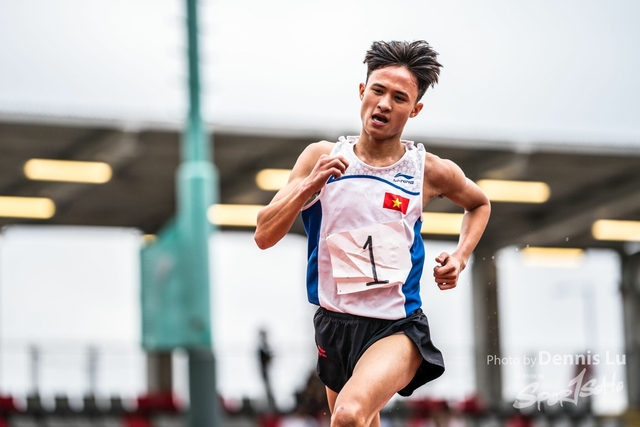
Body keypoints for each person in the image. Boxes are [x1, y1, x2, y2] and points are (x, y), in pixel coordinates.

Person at [254, 40, 491, 427]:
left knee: (348, 416)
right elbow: (264, 234)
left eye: (399, 98)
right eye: (378, 91)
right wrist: (308, 186)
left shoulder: (427, 170)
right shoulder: (321, 157)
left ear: (414, 110)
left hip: (396, 326)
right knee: (362, 421)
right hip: (334, 324)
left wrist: (461, 256)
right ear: (362, 91)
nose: (384, 104)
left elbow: (479, 204)